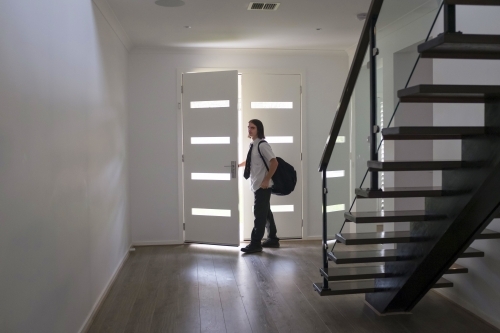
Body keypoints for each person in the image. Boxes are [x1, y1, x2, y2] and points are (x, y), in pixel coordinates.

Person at [239, 119, 280, 253]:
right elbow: (251, 160)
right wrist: (239, 165)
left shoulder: (262, 145)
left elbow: (274, 163)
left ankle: (256, 243)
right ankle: (273, 239)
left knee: (259, 214)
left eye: (253, 128)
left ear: (259, 130)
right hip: (257, 185)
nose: (249, 130)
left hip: (263, 186)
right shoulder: (253, 145)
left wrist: (266, 180)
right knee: (266, 212)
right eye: (248, 127)